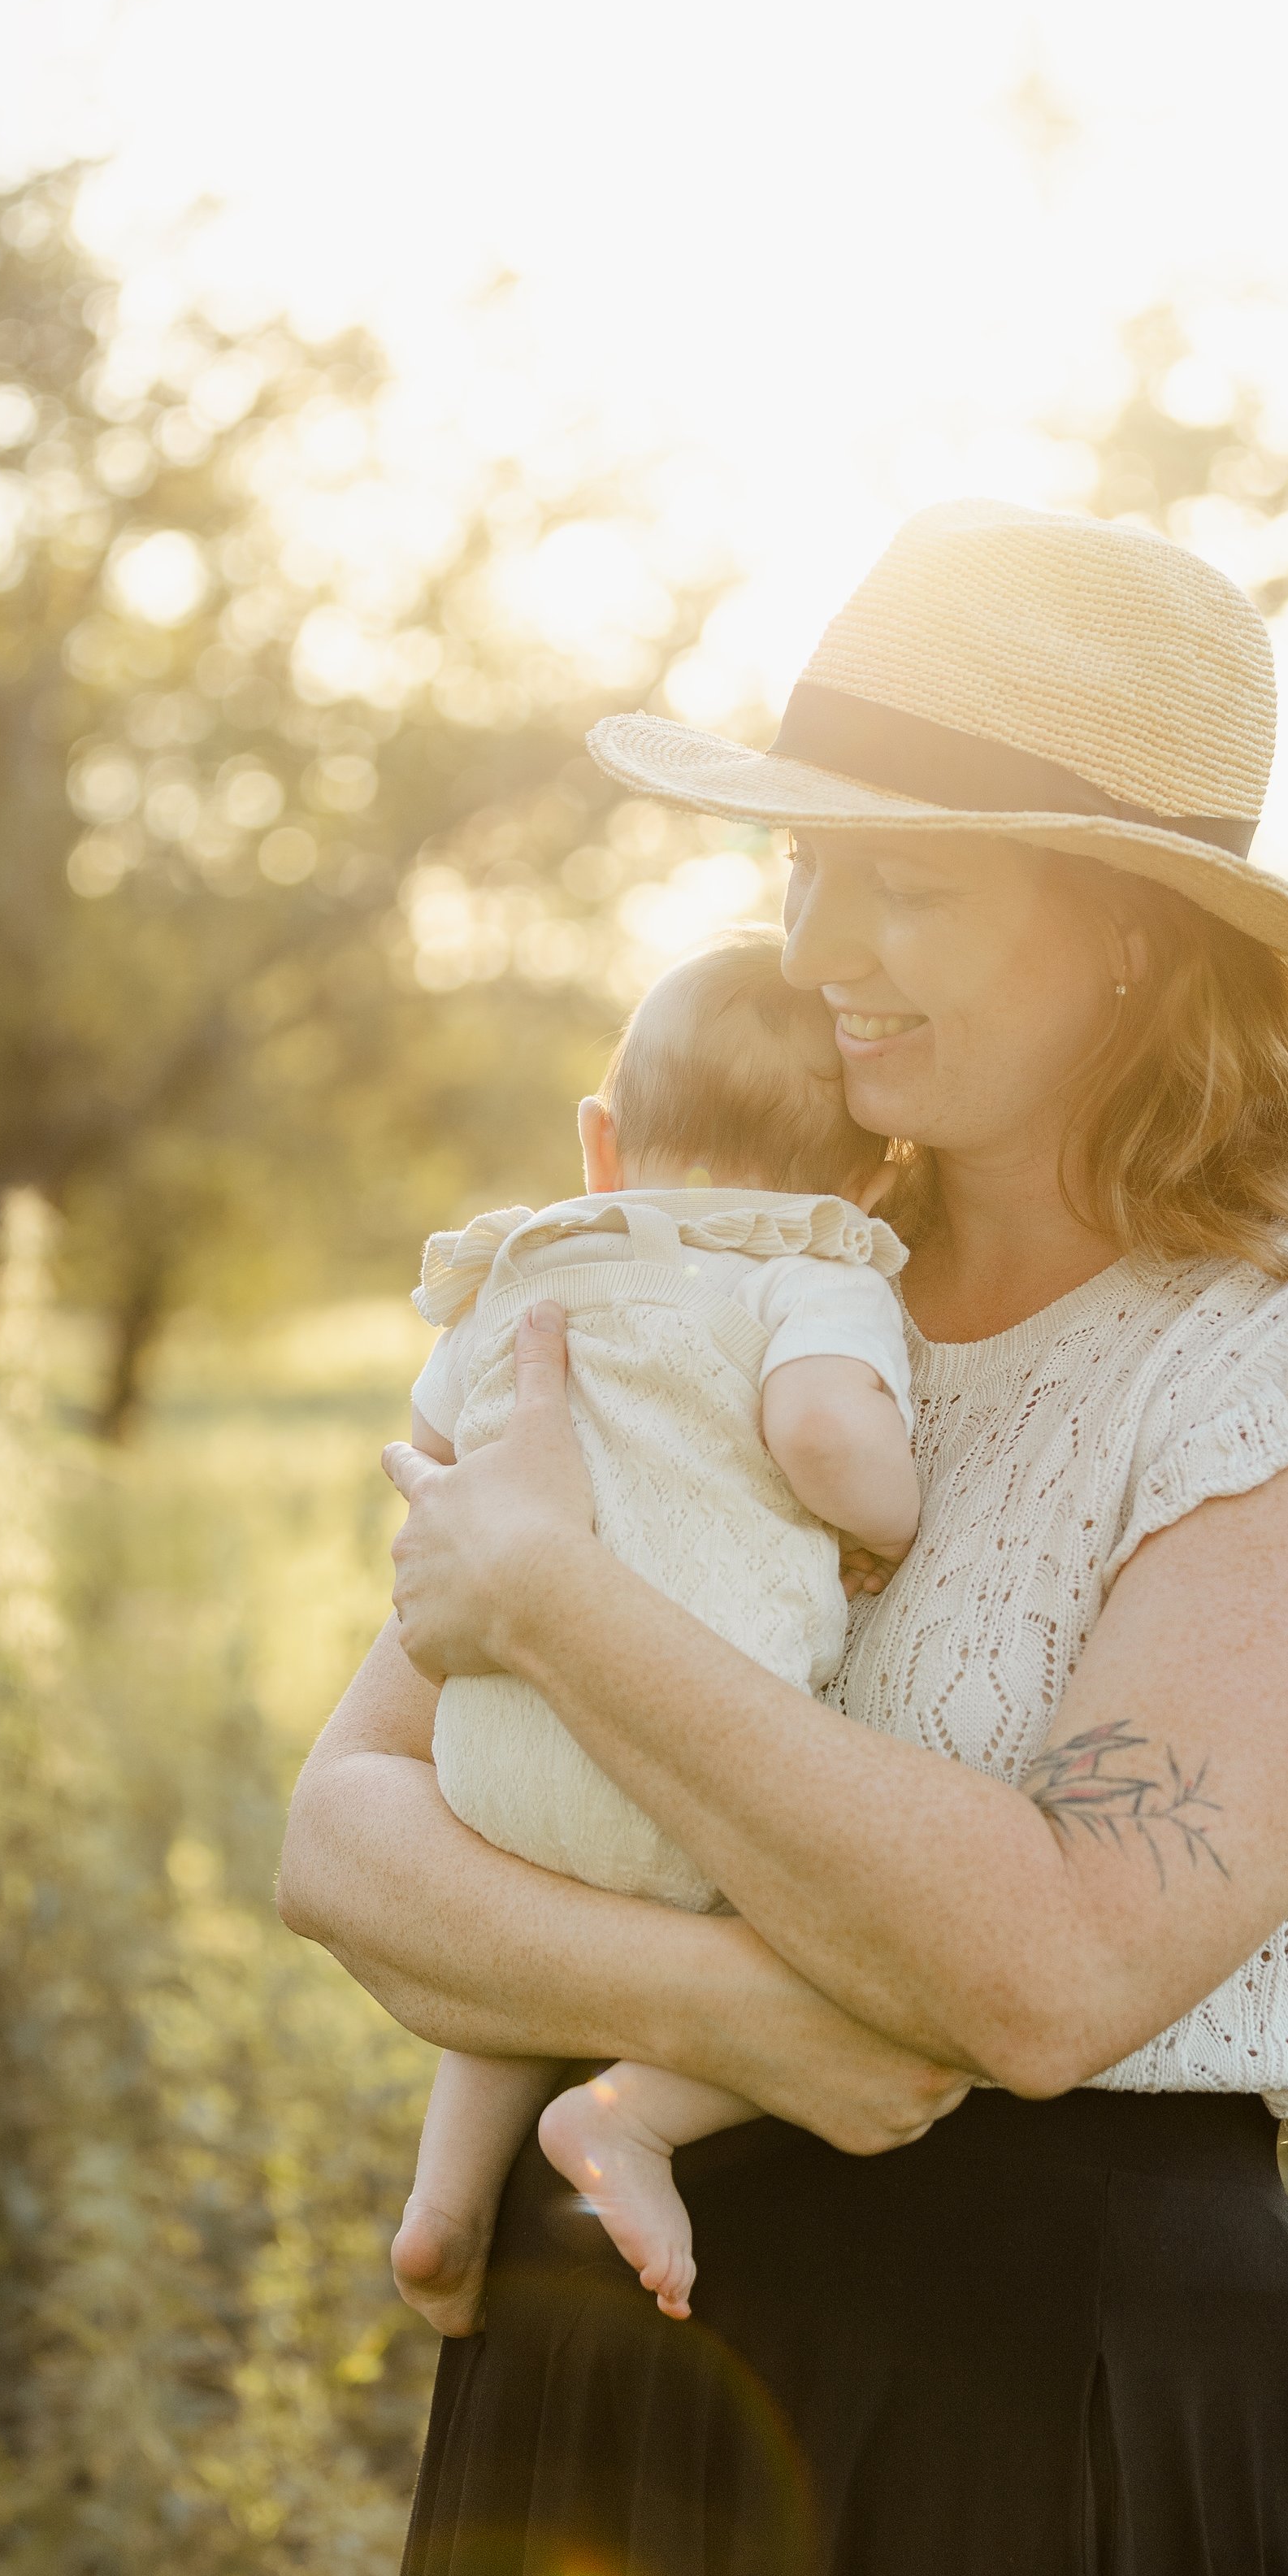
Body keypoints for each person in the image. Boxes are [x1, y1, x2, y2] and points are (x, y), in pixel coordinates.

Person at [279, 500, 1288, 2576]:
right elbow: (341, 1836)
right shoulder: (737, 1270)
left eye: (904, 880)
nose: (819, 945)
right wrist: (730, 2021)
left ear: (1129, 931)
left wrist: (559, 1606)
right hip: (604, 2378)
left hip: (1032, 2424)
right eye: (802, 871)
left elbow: (1049, 1966)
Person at [393, 930, 919, 2331]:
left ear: (601, 1142)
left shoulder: (524, 1267)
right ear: (871, 1181)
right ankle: (628, 2119)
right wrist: (896, 1519)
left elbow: (431, 1453)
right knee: (857, 1956)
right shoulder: (812, 1265)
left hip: (500, 1761)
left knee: (531, 1940)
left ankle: (443, 2207)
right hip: (695, 1768)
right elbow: (825, 1433)